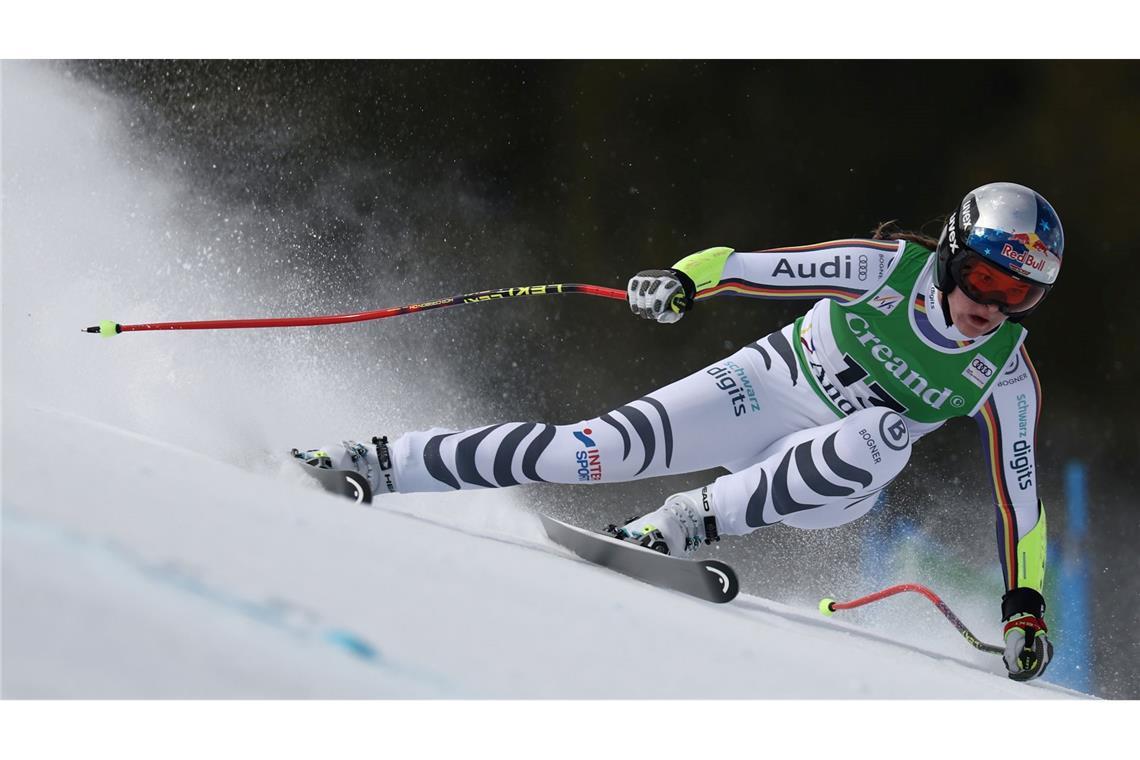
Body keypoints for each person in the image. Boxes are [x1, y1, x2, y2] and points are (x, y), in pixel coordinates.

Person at [296, 181, 1061, 682]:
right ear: (956, 255)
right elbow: (740, 266)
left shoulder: (1007, 373)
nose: (994, 305)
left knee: (884, 434)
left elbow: (1019, 500)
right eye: (988, 278)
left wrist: (1024, 607)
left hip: (833, 476)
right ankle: (378, 460)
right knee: (584, 452)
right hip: (763, 386)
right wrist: (682, 281)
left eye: (1020, 293)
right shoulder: (883, 269)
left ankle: (678, 527)